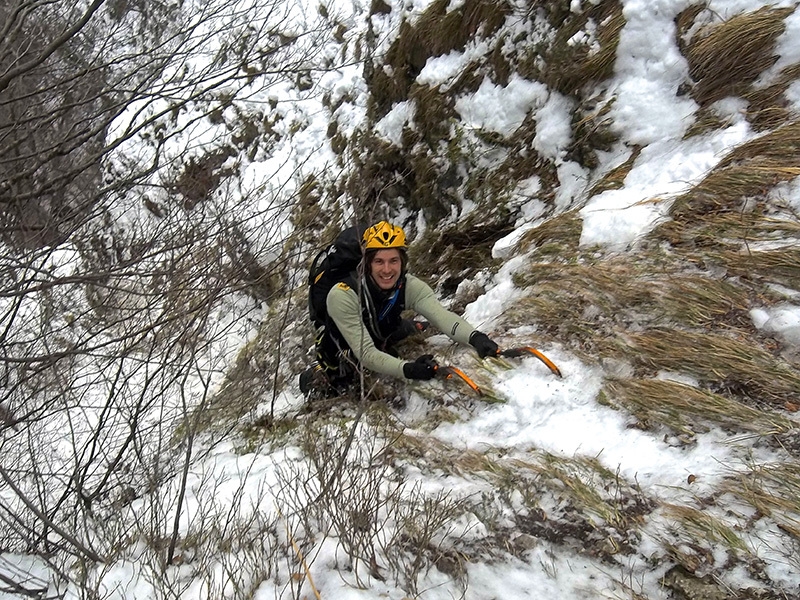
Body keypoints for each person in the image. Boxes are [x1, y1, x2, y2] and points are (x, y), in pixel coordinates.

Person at [299, 221, 499, 397]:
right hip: (344, 346)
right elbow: (367, 354)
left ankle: (409, 327)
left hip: (381, 327)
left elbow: (442, 317)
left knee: (401, 328)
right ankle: (315, 374)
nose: (387, 270)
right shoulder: (342, 294)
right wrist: (408, 369)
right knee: (340, 382)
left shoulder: (409, 285)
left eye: (393, 261)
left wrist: (476, 338)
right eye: (379, 261)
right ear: (367, 264)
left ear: (402, 262)